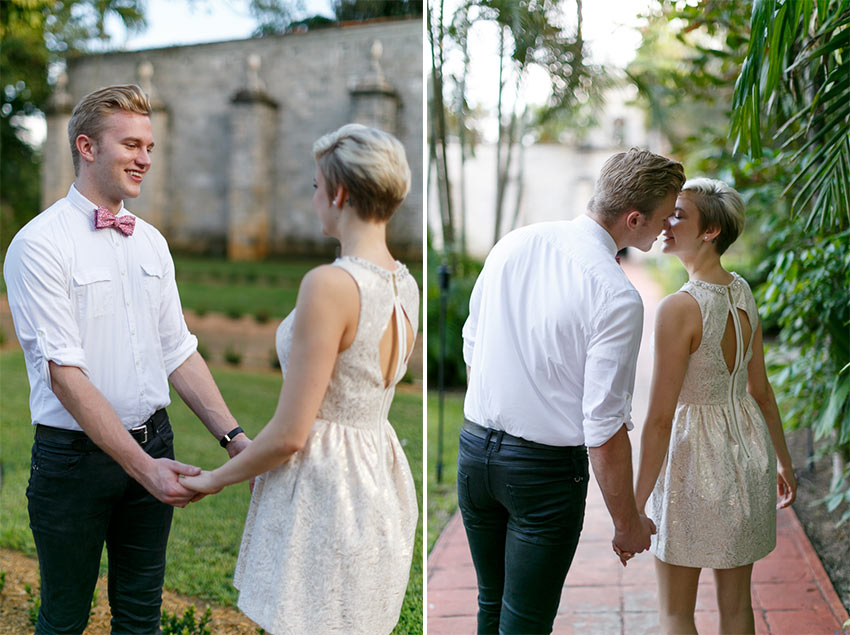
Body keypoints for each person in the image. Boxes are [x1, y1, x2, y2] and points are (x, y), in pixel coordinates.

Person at [3, 84, 250, 633]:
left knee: (142, 619)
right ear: (87, 147)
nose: (144, 159)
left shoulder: (151, 243)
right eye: (131, 145)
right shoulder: (39, 245)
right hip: (73, 464)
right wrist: (144, 471)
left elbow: (179, 351)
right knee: (64, 619)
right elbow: (65, 377)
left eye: (150, 147)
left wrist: (235, 439)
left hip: (155, 442)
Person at [181, 123, 418, 635]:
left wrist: (212, 480)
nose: (314, 199)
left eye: (315, 187)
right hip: (379, 477)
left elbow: (292, 434)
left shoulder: (331, 284)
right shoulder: (406, 283)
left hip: (327, 489)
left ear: (339, 193)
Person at [459, 148, 685, 633]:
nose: (667, 227)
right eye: (664, 217)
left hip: (474, 454)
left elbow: (472, 346)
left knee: (490, 605)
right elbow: (602, 428)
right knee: (525, 621)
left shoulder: (514, 243)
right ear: (633, 218)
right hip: (542, 475)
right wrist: (627, 524)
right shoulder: (616, 294)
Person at [634, 178, 796, 634]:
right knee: (738, 608)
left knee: (674, 612)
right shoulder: (742, 292)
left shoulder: (678, 308)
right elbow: (760, 392)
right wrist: (783, 463)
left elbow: (661, 419)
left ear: (710, 232)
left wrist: (636, 503)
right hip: (747, 455)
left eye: (679, 215)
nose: (666, 222)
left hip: (693, 461)